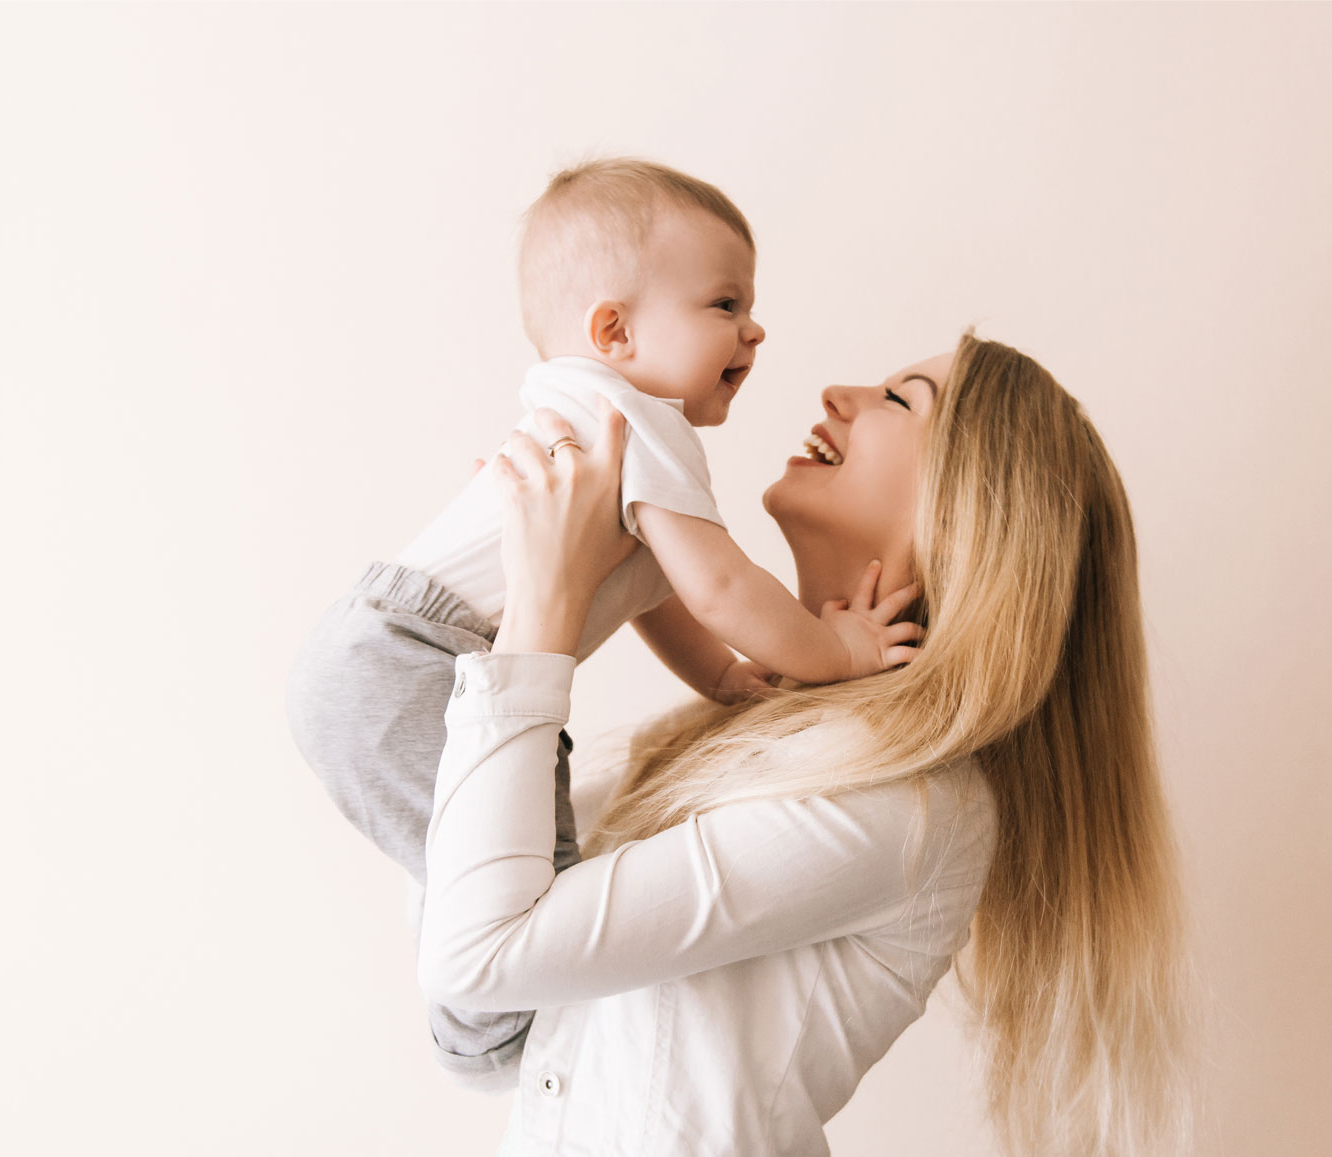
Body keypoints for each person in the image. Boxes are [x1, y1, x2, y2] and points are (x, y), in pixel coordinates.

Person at [329, 332, 1196, 1155]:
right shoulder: (739, 726)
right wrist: (520, 596)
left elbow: (480, 957)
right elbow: (479, 1022)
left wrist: (541, 610)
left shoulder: (905, 803)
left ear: (968, 511)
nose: (840, 395)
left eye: (900, 397)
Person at [285, 159, 919, 1083]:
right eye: (724, 304)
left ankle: (489, 1035)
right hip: (419, 659)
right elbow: (721, 587)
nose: (756, 329)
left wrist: (724, 681)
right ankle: (497, 1045)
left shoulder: (590, 416)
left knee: (474, 853)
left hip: (374, 651)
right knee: (524, 869)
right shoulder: (642, 425)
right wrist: (839, 648)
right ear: (615, 331)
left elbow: (652, 595)